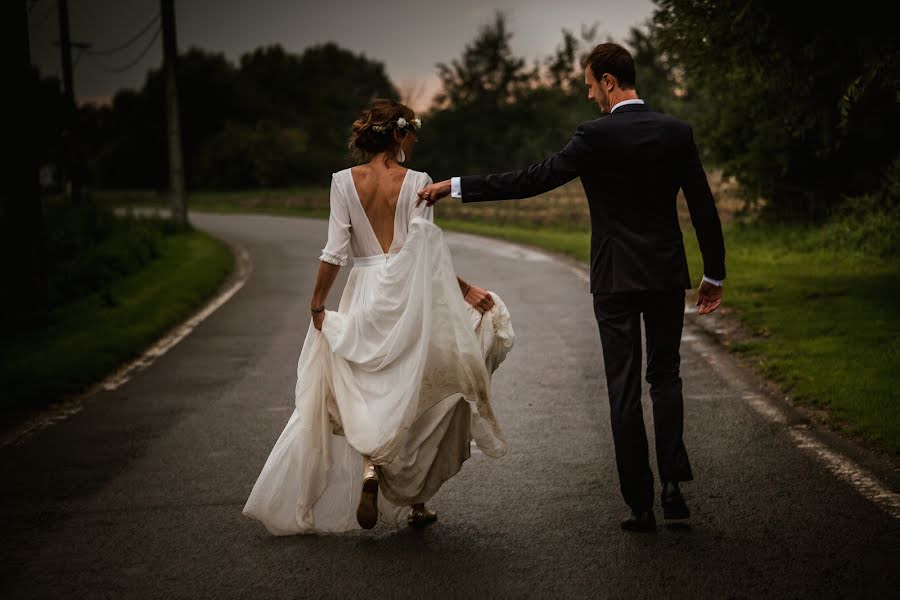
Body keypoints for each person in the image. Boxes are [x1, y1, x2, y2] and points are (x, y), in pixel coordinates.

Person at [418, 43, 726, 533]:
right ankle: (672, 483)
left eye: (589, 85)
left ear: (608, 80)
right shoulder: (675, 131)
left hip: (614, 278)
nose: (589, 96)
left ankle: (640, 504)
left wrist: (456, 186)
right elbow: (703, 205)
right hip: (666, 273)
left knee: (623, 386)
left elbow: (532, 179)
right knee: (665, 376)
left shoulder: (594, 136)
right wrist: (714, 272)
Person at [242, 99, 514, 534]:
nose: (415, 141)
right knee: (415, 389)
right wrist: (466, 290)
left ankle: (371, 468)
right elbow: (424, 252)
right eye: (412, 133)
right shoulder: (419, 182)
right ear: (399, 135)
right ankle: (417, 503)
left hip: (364, 290)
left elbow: (334, 251)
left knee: (370, 391)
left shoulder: (342, 183)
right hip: (408, 296)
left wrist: (317, 303)